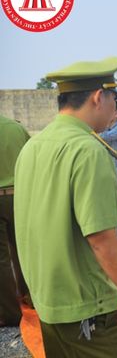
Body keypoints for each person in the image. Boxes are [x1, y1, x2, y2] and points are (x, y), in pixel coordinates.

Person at [14, 57, 117, 357]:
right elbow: (102, 240)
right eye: (112, 100)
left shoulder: (32, 147)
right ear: (97, 97)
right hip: (90, 310)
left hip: (49, 304)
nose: (113, 110)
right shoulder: (88, 150)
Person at [0, 115, 30, 326]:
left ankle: (11, 313)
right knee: (25, 250)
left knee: (2, 260)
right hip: (20, 195)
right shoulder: (15, 128)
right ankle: (33, 298)